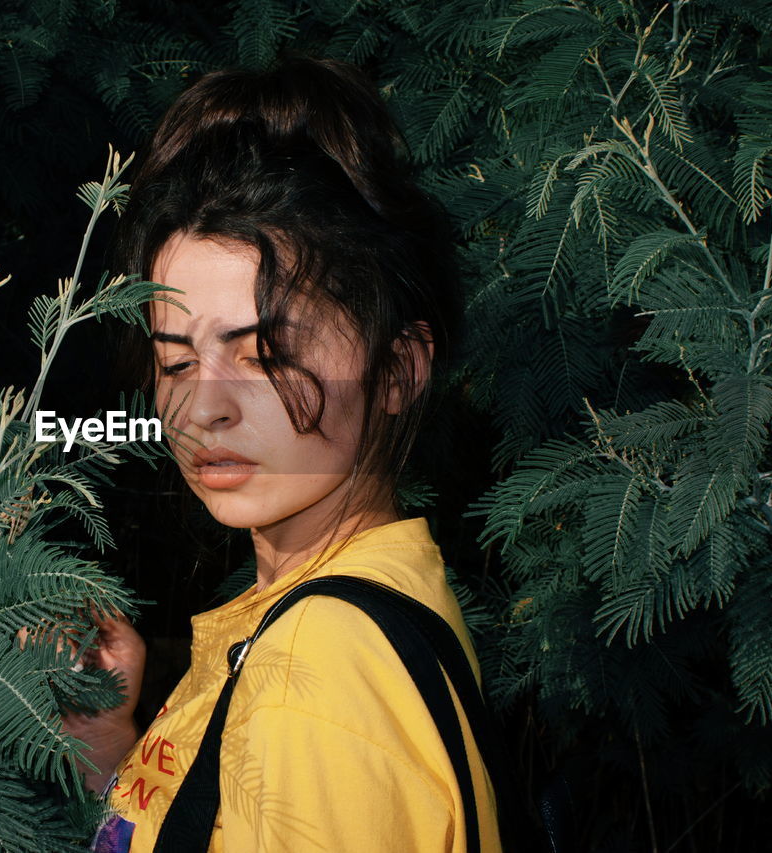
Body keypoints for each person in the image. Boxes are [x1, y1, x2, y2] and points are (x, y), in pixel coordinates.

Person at [66, 56, 501, 853]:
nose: (204, 407)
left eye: (263, 353)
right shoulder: (359, 605)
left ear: (399, 368)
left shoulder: (315, 674)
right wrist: (108, 752)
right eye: (175, 361)